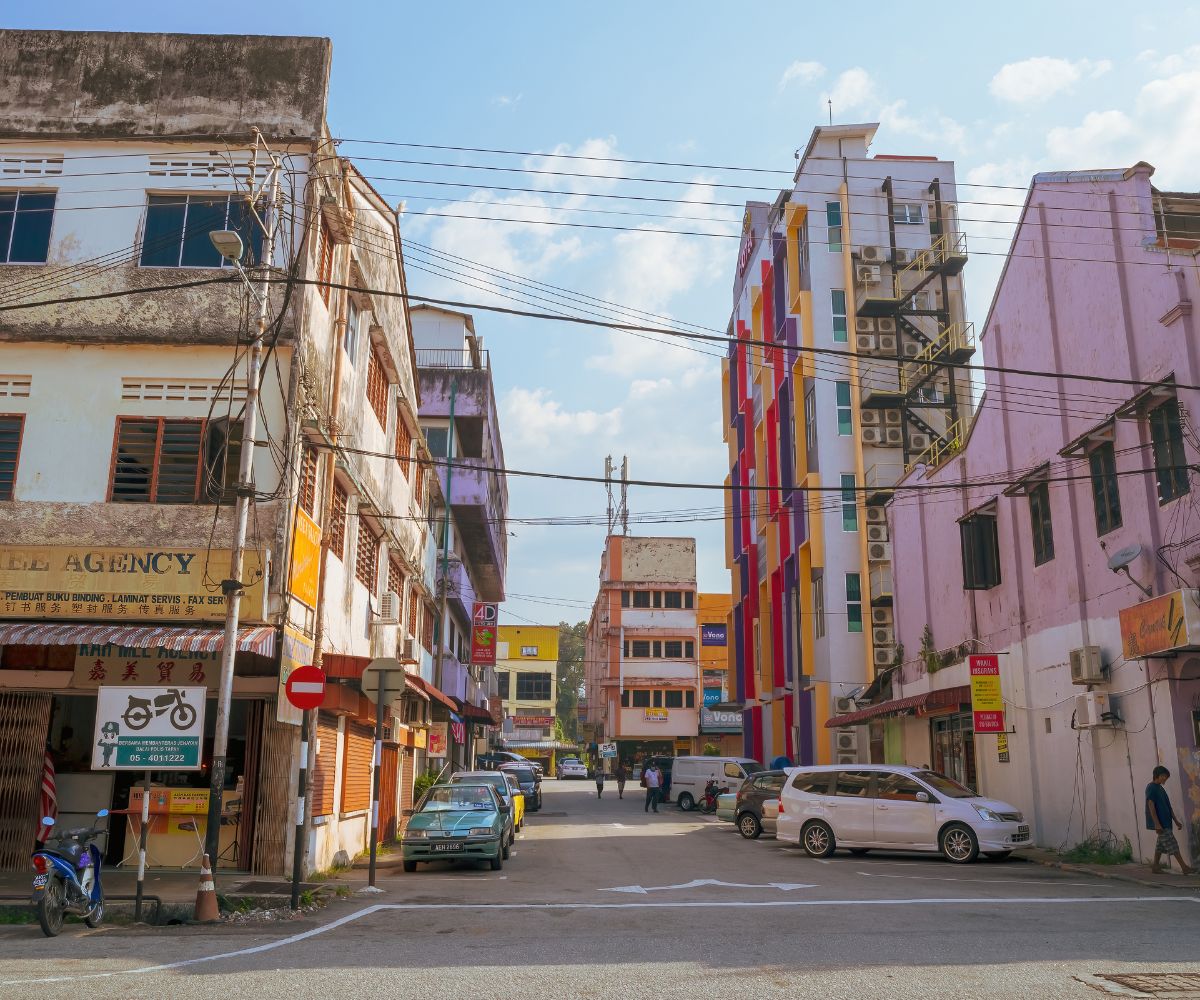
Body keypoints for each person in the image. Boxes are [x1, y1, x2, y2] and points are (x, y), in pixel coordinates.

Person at [1146, 765, 1194, 875]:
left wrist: (1176, 821)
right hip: (1161, 824)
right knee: (1173, 845)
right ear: (1157, 775)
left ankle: (1155, 866)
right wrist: (1157, 824)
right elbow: (1151, 805)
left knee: (1160, 846)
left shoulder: (1160, 789)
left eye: (1166, 777)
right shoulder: (1151, 787)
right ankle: (1184, 868)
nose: (1165, 778)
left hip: (1166, 823)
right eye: (1163, 776)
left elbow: (1169, 807)